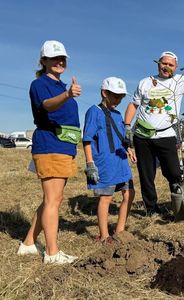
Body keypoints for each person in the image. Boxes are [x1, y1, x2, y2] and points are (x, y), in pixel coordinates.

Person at [124, 41, 184, 218]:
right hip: (142, 136)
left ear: (176, 67)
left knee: (173, 172)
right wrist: (127, 127)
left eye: (171, 65)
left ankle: (179, 205)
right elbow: (133, 105)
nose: (167, 67)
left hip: (166, 135)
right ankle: (151, 209)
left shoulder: (179, 82)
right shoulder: (145, 83)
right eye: (164, 63)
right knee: (146, 175)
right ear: (158, 63)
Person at [18, 40, 81, 264]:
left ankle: (27, 243)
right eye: (54, 58)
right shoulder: (40, 84)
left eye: (62, 58)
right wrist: (67, 95)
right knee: (53, 200)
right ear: (43, 61)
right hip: (50, 144)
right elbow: (47, 106)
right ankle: (52, 253)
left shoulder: (60, 85)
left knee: (51, 199)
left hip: (64, 146)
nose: (59, 61)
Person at [82, 77, 136, 243]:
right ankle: (104, 236)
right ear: (104, 93)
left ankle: (119, 230)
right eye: (115, 96)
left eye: (121, 97)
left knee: (130, 193)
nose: (118, 100)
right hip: (104, 163)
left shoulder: (118, 114)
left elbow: (120, 136)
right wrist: (90, 163)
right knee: (106, 198)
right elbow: (87, 139)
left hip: (120, 162)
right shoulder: (94, 111)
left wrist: (128, 149)